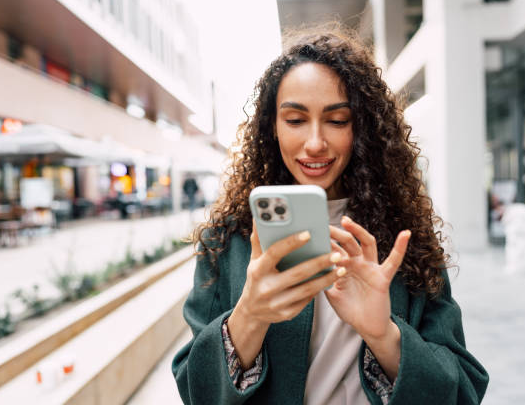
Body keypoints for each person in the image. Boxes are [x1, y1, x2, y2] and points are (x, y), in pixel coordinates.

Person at [172, 25, 489, 405]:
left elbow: (462, 391)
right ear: (271, 127)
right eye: (295, 120)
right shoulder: (228, 240)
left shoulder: (402, 237)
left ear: (362, 128)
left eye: (337, 120)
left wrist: (383, 335)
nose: (315, 143)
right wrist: (249, 317)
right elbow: (195, 390)